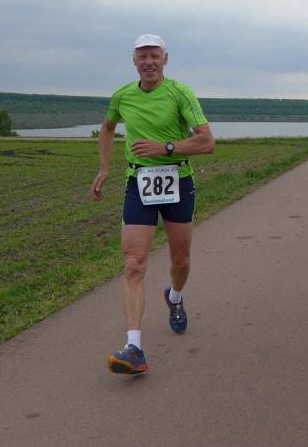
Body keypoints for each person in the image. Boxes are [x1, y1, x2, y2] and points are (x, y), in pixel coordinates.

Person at [91, 34, 215, 375]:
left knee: (181, 260)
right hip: (138, 183)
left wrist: (166, 148)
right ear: (134, 61)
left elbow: (207, 142)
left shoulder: (180, 93)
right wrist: (104, 168)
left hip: (178, 181)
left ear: (165, 59)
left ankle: (174, 297)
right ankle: (134, 348)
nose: (148, 62)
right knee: (134, 263)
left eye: (154, 56)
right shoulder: (122, 95)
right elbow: (107, 127)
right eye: (142, 56)